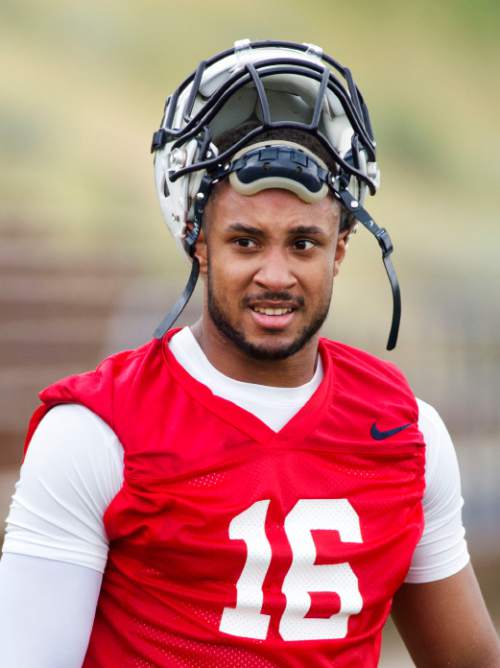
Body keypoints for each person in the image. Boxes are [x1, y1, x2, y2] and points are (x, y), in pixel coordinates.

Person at [0, 39, 499, 668]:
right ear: (197, 242)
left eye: (303, 244)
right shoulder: (95, 434)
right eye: (245, 240)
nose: (275, 274)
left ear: (340, 250)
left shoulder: (407, 432)